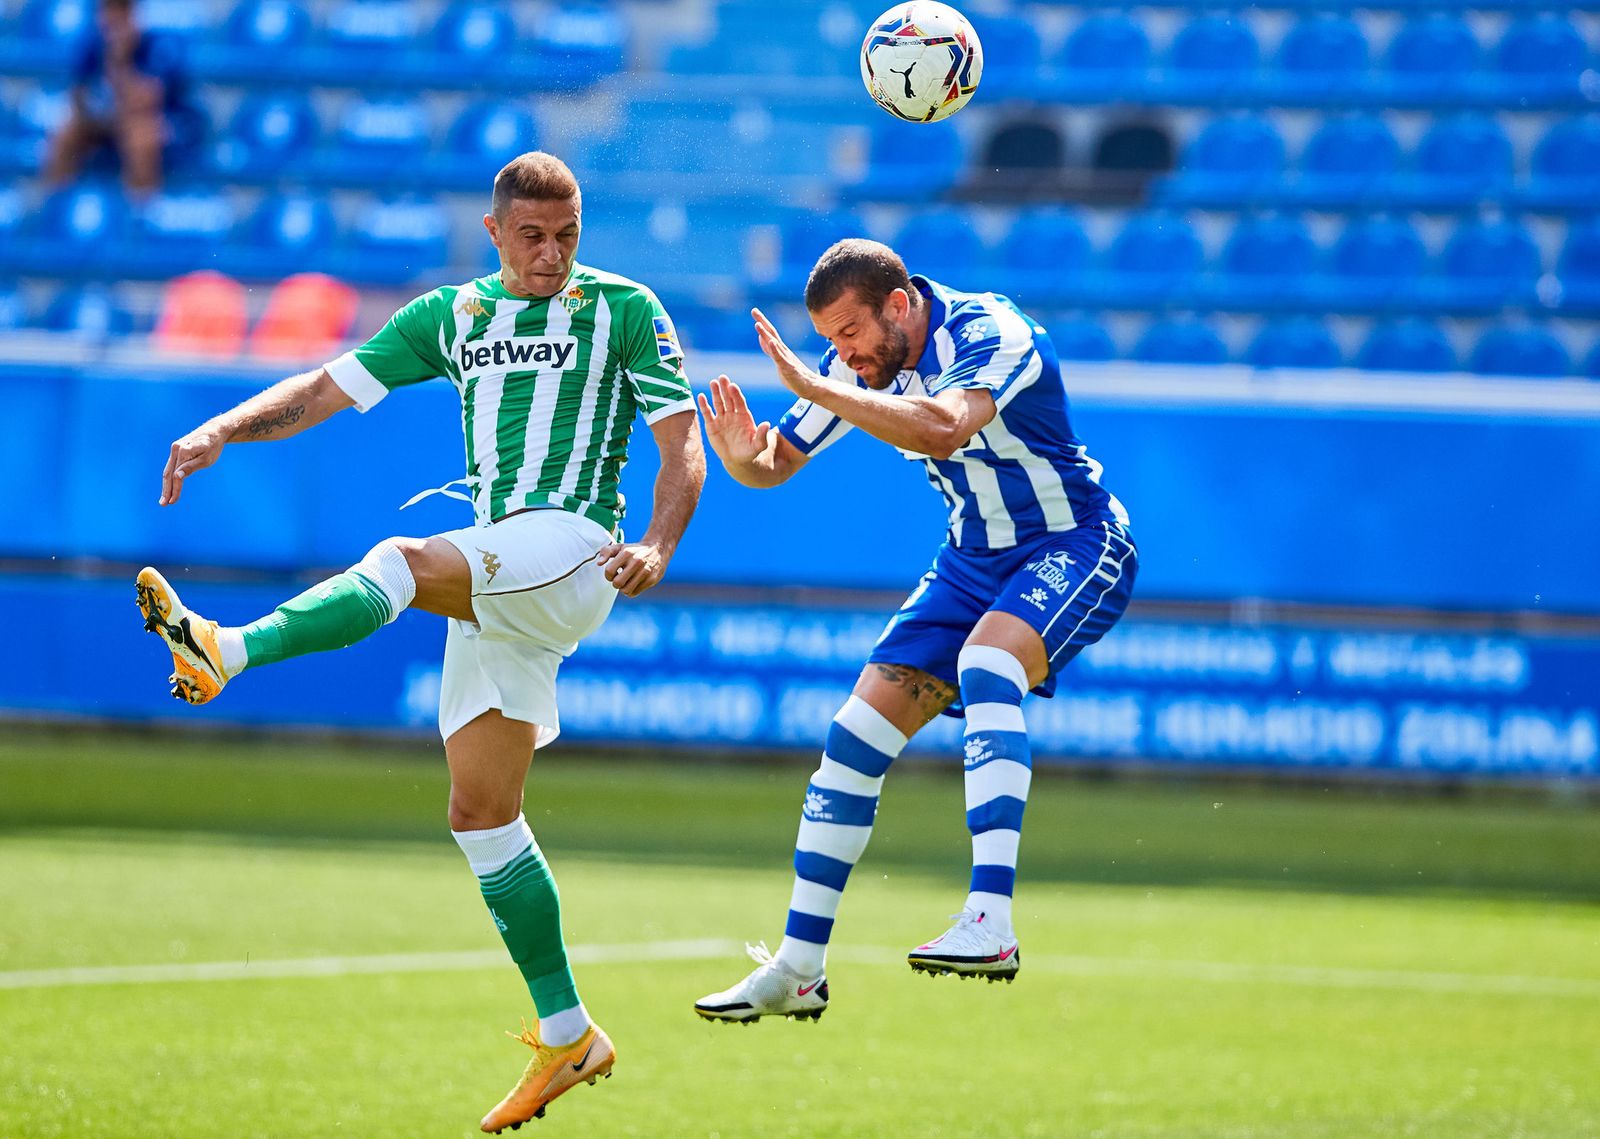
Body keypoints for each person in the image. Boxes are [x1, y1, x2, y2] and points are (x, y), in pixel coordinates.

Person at [136, 152, 706, 1132]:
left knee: (400, 560)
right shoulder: (452, 316)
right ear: (494, 232)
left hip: (576, 549)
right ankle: (569, 1032)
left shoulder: (624, 309)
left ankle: (223, 650)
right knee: (482, 813)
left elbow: (681, 443)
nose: (552, 254)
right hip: (502, 566)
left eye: (568, 235)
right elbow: (325, 387)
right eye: (532, 236)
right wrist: (222, 427)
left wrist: (657, 541)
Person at [692, 239, 1136, 1022]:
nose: (843, 354)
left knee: (987, 664)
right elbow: (773, 461)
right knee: (853, 737)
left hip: (1074, 541)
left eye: (849, 333)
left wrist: (814, 384)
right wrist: (739, 456)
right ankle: (798, 969)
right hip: (971, 561)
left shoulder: (991, 331)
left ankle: (990, 921)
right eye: (829, 341)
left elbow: (942, 427)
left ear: (898, 305)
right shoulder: (853, 364)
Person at [44, 0, 203, 194]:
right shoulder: (92, 45)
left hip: (163, 121)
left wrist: (119, 60)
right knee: (65, 135)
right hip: (106, 119)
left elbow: (146, 101)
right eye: (108, 10)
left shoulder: (159, 46)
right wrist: (94, 114)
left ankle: (142, 206)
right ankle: (55, 201)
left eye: (121, 11)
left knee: (140, 137)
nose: (113, 19)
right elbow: (78, 96)